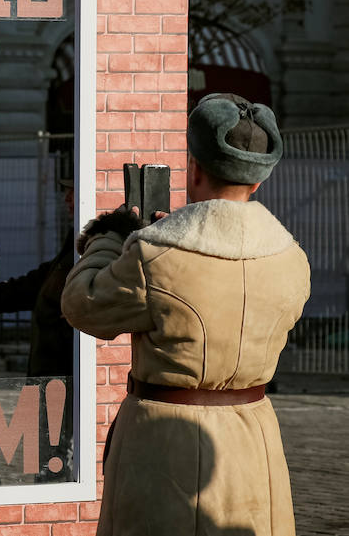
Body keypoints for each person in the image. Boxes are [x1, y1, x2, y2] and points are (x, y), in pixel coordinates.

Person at [60, 93, 310, 535]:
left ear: (194, 169)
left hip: (164, 446)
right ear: (258, 182)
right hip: (254, 441)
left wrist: (110, 237)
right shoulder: (292, 258)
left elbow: (82, 305)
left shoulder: (154, 254)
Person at [0, 177, 76, 481]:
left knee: (54, 459)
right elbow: (40, 282)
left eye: (72, 191)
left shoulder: (94, 245)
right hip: (50, 375)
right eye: (66, 191)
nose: (67, 198)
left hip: (63, 376)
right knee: (47, 454)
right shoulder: (77, 244)